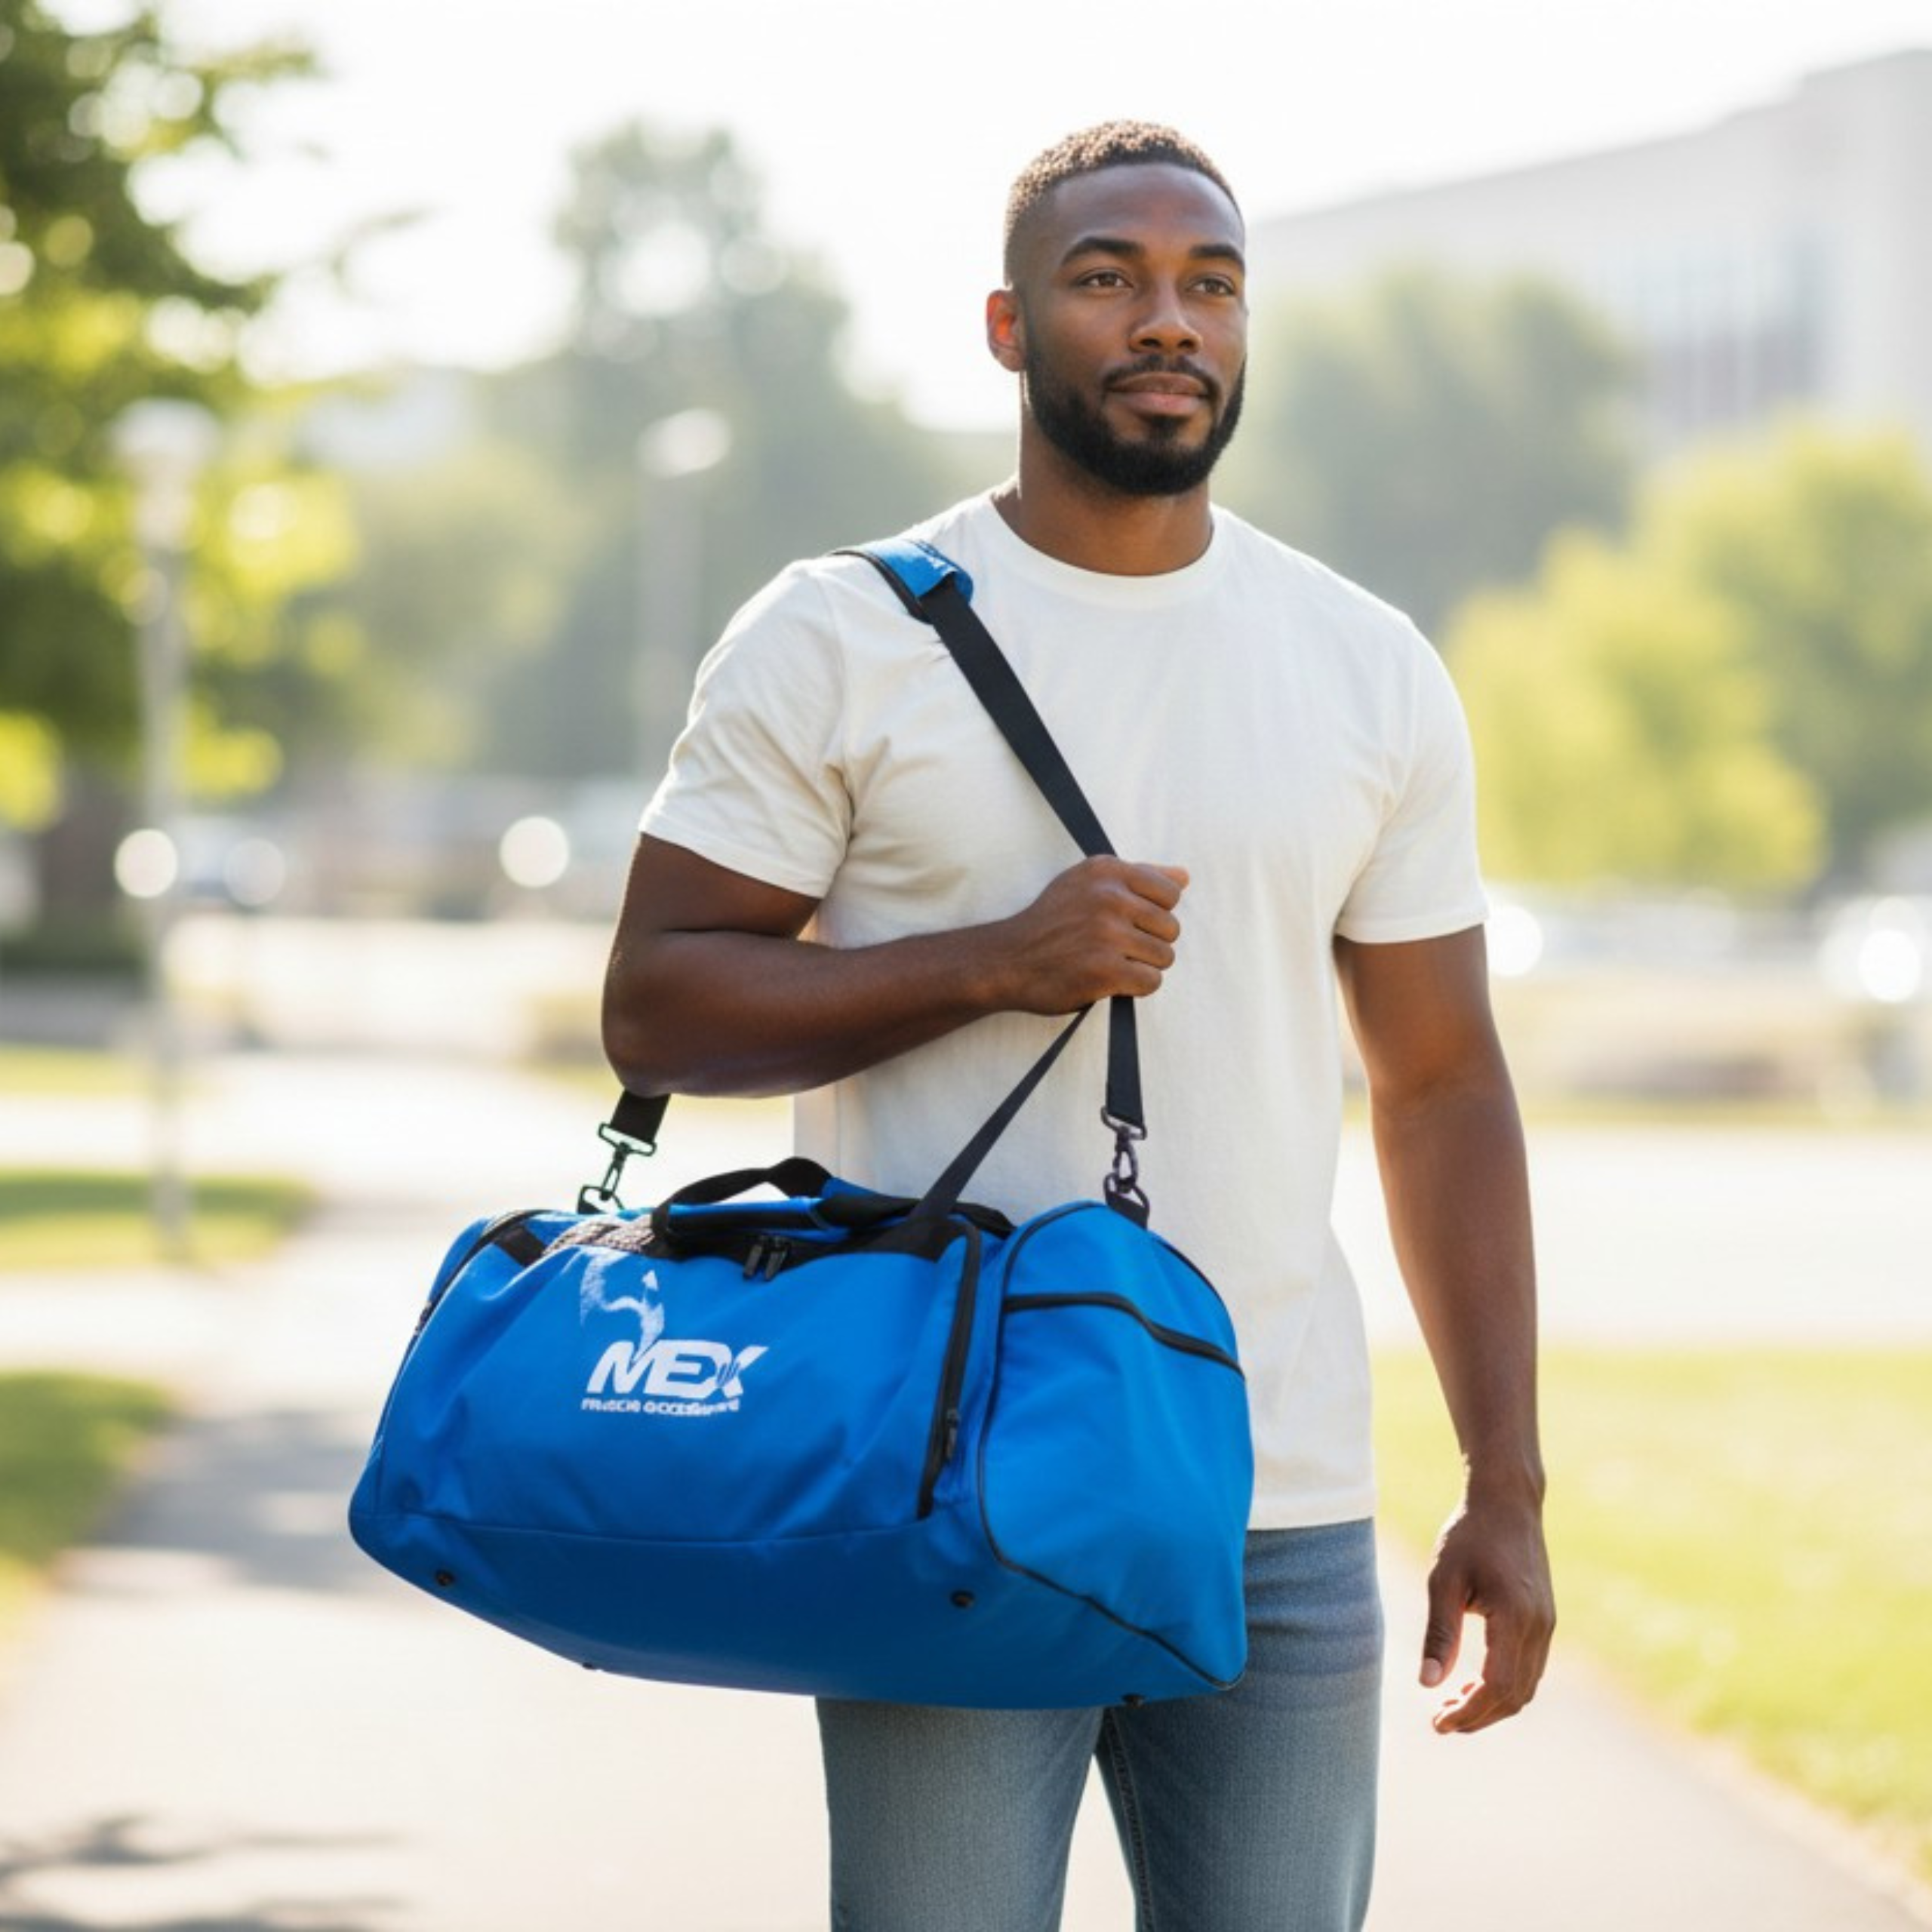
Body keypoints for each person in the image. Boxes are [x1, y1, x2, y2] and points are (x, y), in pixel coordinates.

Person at [602, 120, 1553, 1932]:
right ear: (1004, 325)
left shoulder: (1363, 664)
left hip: (1271, 1502)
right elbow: (657, 1000)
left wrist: (1499, 1481)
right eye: (1107, 277)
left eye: (1209, 285)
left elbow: (1441, 1082)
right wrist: (987, 959)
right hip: (944, 1475)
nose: (1166, 321)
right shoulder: (839, 635)